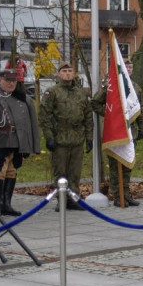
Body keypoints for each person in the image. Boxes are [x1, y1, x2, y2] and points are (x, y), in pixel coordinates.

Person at [0, 68, 40, 216]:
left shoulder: (21, 98)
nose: (11, 83)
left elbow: (29, 123)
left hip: (16, 140)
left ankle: (6, 204)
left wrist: (28, 144)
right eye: (8, 80)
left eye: (14, 81)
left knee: (11, 172)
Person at [40, 62, 93, 211]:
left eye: (70, 70)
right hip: (60, 138)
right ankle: (61, 200)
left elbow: (88, 115)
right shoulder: (53, 92)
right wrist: (49, 137)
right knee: (60, 171)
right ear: (59, 74)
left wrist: (89, 137)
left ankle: (73, 199)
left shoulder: (81, 93)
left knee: (75, 172)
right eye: (65, 71)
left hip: (77, 137)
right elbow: (45, 116)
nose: (68, 73)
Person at [90, 58, 139, 207]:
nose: (128, 69)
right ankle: (118, 196)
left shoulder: (134, 87)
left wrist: (141, 129)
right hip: (115, 131)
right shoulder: (111, 86)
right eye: (126, 67)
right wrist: (110, 115)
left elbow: (138, 107)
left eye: (130, 67)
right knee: (115, 166)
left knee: (127, 164)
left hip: (130, 131)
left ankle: (127, 194)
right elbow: (95, 102)